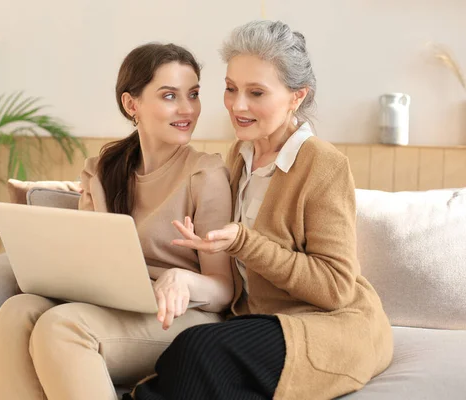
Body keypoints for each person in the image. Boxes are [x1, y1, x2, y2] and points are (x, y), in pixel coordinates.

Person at [126, 20, 394, 400]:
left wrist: (243, 242)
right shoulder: (242, 153)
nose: (238, 105)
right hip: (259, 322)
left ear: (297, 96)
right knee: (189, 368)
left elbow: (335, 287)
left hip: (328, 327)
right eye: (231, 89)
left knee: (197, 349)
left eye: (256, 93)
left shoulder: (323, 164)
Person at [0, 43, 235, 400]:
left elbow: (223, 290)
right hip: (113, 304)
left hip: (180, 317)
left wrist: (180, 278)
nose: (187, 109)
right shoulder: (103, 169)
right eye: (170, 96)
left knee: (62, 327)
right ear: (131, 104)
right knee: (16, 311)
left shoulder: (205, 173)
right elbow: (87, 259)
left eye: (193, 94)